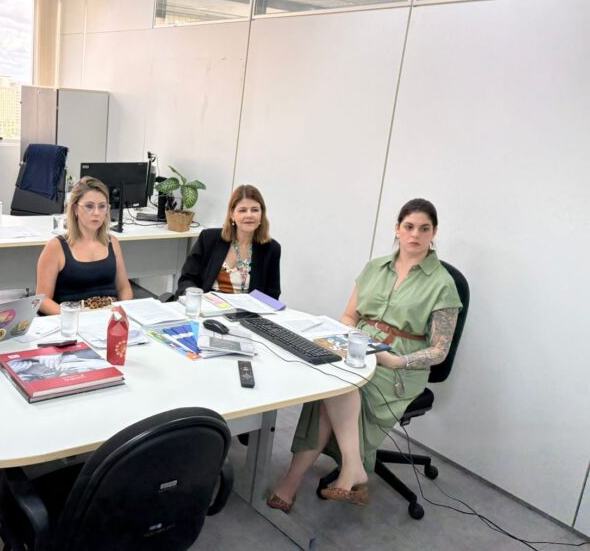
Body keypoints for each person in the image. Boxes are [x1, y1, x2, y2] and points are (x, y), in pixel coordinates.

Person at [267, 198, 462, 511]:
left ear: (434, 232)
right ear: (397, 229)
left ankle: (296, 481)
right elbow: (348, 316)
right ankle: (351, 467)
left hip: (399, 367)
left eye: (424, 229)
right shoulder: (374, 268)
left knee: (341, 385)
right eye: (409, 227)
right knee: (327, 382)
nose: (415, 234)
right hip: (359, 347)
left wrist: (398, 360)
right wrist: (348, 337)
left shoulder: (443, 284)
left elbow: (440, 350)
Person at [36, 177, 133, 314]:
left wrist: (120, 313)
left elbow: (124, 289)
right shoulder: (56, 247)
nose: (97, 213)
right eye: (89, 206)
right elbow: (43, 300)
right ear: (75, 209)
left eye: (102, 206)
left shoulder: (112, 243)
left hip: (109, 317)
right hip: (73, 319)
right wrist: (75, 318)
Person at [177, 184, 281, 298]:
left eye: (255, 210)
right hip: (206, 307)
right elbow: (187, 279)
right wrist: (195, 299)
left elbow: (273, 294)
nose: (249, 215)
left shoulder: (271, 248)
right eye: (242, 210)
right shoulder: (208, 239)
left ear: (262, 214)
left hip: (247, 313)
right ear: (232, 214)